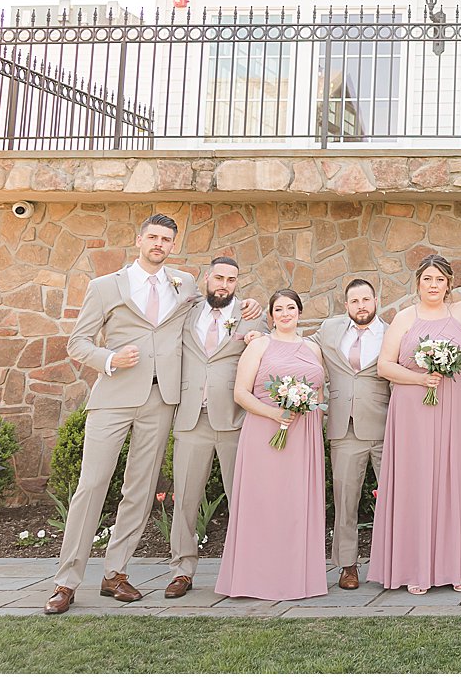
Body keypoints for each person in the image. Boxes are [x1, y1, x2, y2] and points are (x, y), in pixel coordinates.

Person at [46, 214, 258, 615]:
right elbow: (78, 342)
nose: (159, 243)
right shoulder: (105, 287)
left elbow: (218, 306)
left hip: (163, 401)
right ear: (139, 239)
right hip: (114, 396)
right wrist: (109, 357)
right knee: (91, 486)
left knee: (139, 491)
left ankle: (115, 574)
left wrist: (248, 303)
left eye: (166, 239)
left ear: (173, 246)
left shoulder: (186, 285)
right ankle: (66, 580)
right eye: (153, 237)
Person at [368, 254, 461, 595]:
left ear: (449, 284)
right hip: (413, 407)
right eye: (428, 279)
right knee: (416, 480)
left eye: (440, 280)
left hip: (454, 407)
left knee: (453, 477)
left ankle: (456, 564)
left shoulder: (459, 312)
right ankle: (414, 566)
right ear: (418, 282)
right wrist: (420, 381)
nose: (433, 285)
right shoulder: (404, 317)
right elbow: (384, 367)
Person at [214, 289, 328, 601]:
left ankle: (297, 578)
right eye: (279, 309)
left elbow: (318, 392)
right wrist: (275, 412)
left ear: (300, 312)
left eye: (291, 307)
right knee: (264, 503)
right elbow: (241, 393)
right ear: (271, 315)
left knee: (296, 504)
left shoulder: (313, 348)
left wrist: (310, 407)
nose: (286, 313)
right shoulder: (260, 345)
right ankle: (257, 579)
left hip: (304, 434)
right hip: (265, 432)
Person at [165, 256, 264, 598]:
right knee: (186, 501)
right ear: (207, 278)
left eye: (231, 280)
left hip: (234, 421)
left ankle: (246, 569)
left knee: (242, 499)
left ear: (238, 284)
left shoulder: (252, 317)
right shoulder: (186, 312)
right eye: (219, 277)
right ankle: (182, 570)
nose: (224, 284)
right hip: (191, 420)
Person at [314, 278, 391, 591]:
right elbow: (292, 339)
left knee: (395, 500)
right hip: (344, 429)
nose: (361, 306)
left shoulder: (391, 333)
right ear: (346, 305)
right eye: (355, 301)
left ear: (376, 301)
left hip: (386, 427)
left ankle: (393, 562)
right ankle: (348, 565)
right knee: (346, 501)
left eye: (366, 299)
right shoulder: (329, 331)